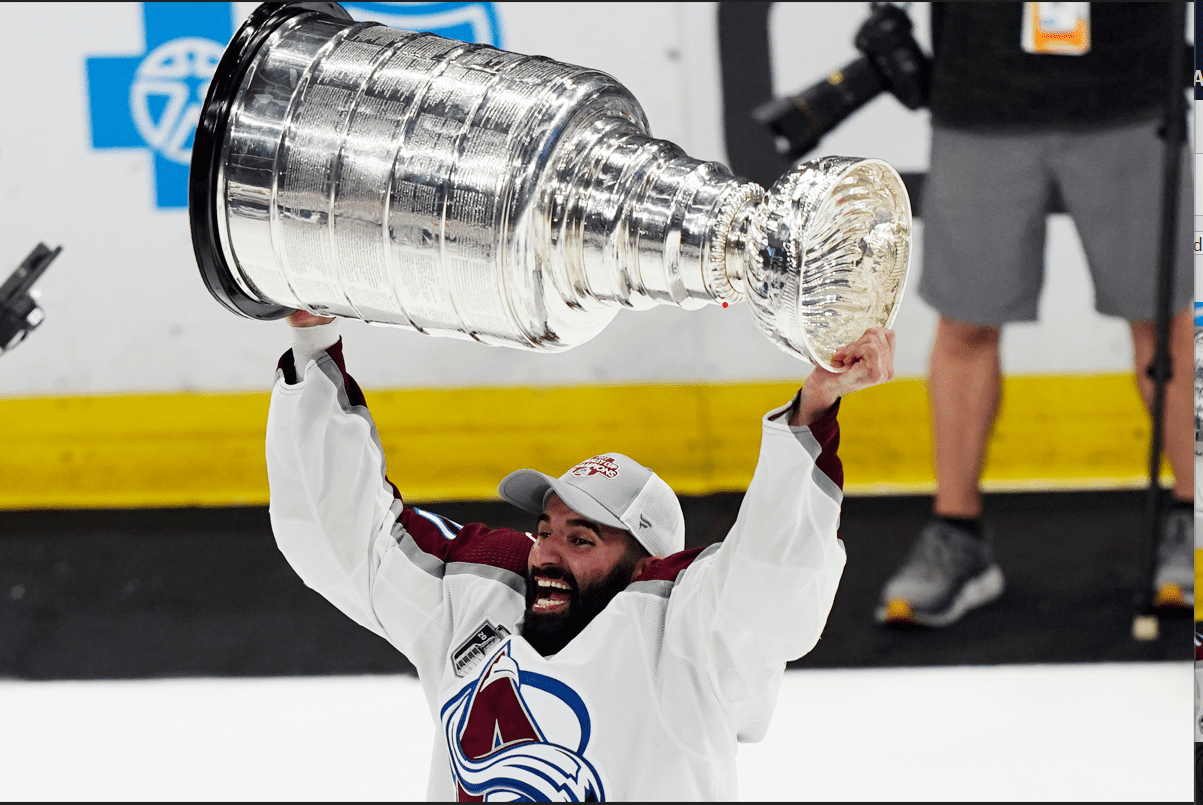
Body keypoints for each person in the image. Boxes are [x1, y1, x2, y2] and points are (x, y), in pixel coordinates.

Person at [265, 309, 894, 800]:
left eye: (582, 538)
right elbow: (347, 534)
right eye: (546, 528)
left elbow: (771, 578)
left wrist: (814, 407)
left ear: (646, 566)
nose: (546, 553)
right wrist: (313, 343)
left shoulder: (686, 639)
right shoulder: (481, 597)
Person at [876, 3, 1195, 628]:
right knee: (965, 323)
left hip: (1130, 92)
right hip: (979, 95)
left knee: (1162, 323)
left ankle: (1192, 519)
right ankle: (957, 531)